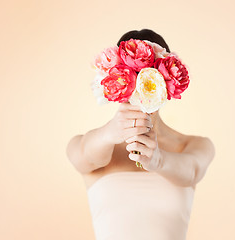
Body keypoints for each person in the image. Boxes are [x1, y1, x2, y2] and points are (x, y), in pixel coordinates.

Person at [66, 29, 215, 240]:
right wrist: (110, 132)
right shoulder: (94, 146)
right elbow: (83, 156)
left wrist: (158, 160)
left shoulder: (194, 146)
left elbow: (191, 171)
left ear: (167, 86)